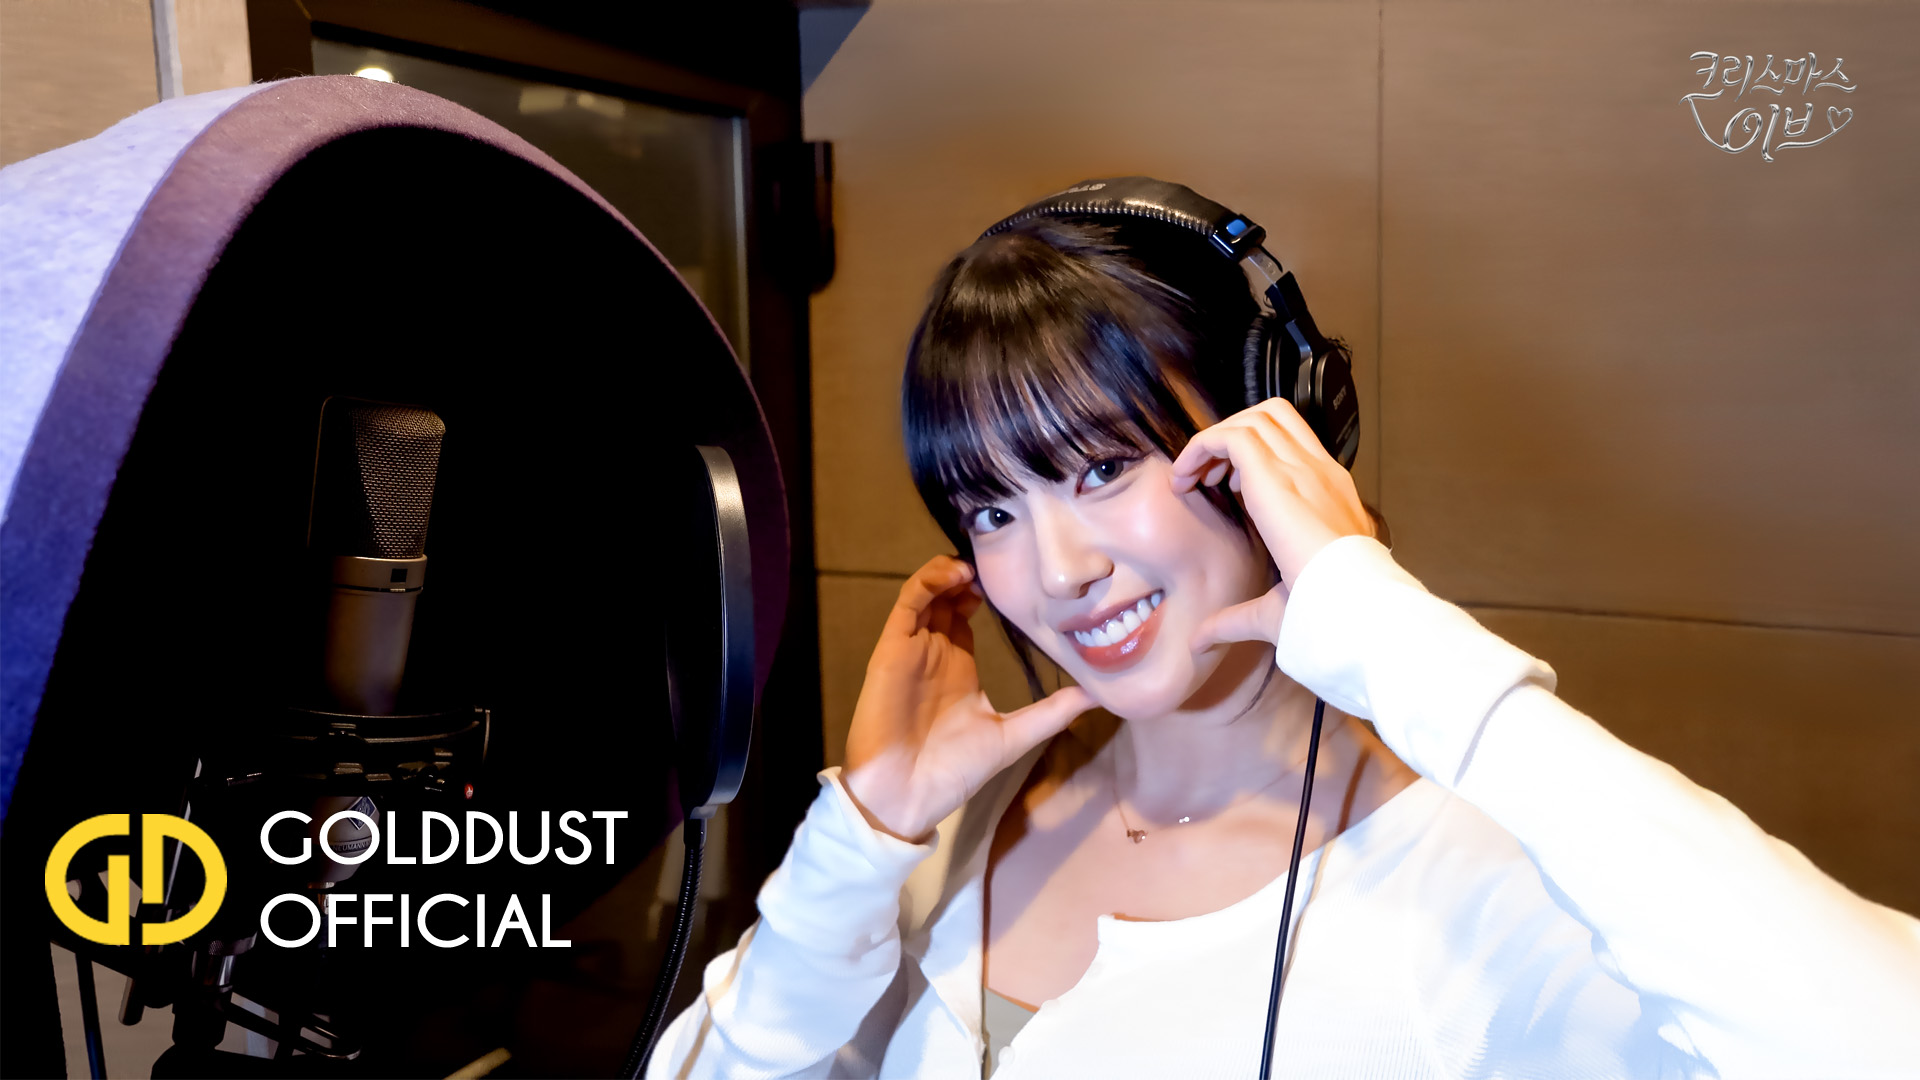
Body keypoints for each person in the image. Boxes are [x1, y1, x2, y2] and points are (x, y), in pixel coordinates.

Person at [647, 187, 1920, 1079]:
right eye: (993, 508)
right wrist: (864, 836)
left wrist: (1392, 635)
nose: (1060, 571)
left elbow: (1879, 1042)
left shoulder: (1467, 883)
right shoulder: (946, 836)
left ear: (1273, 431)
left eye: (1103, 468)